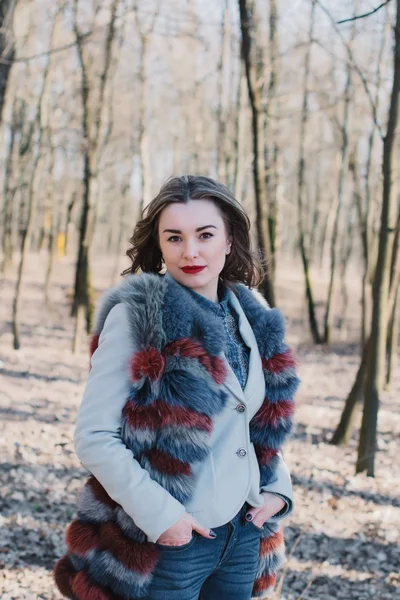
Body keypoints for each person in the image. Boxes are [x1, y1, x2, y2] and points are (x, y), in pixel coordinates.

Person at [54, 175, 300, 600]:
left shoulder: (253, 314)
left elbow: (255, 422)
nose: (191, 251)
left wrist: (278, 490)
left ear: (229, 240)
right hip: (171, 541)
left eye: (205, 234)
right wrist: (163, 517)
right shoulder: (140, 320)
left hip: (243, 536)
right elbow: (94, 437)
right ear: (160, 246)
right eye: (175, 237)